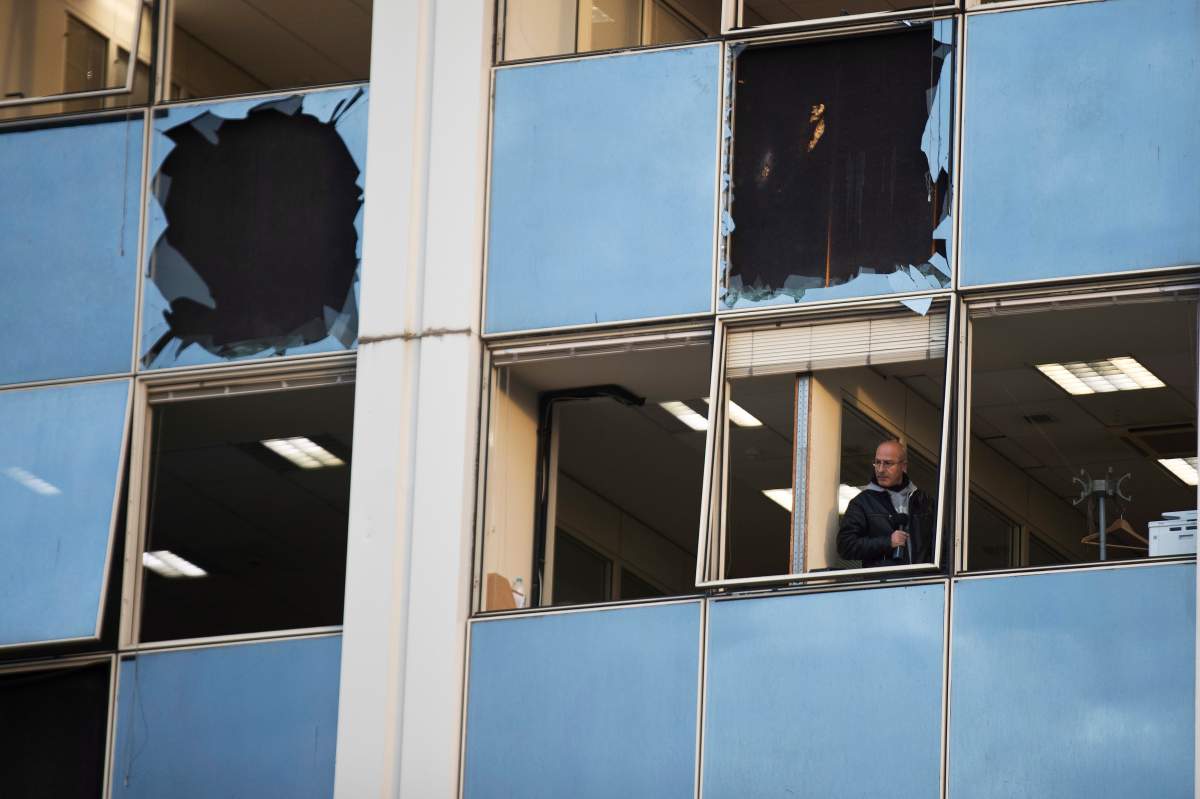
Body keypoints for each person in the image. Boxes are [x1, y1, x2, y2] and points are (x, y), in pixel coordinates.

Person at [836, 439, 935, 568]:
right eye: (877, 462)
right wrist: (888, 542)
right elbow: (845, 546)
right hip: (882, 585)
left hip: (925, 584)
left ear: (903, 466)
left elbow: (944, 547)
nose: (881, 469)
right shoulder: (862, 503)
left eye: (888, 463)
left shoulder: (924, 502)